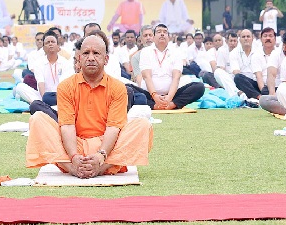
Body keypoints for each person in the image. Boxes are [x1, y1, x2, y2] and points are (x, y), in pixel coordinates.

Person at [25, 34, 153, 179]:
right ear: (79, 59)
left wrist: (100, 156)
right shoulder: (66, 86)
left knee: (143, 125)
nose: (91, 58)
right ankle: (72, 168)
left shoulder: (117, 87)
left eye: (96, 53)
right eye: (86, 53)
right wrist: (73, 157)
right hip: (73, 144)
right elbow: (67, 126)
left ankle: (101, 168)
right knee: (38, 119)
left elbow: (114, 127)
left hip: (108, 148)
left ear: (106, 60)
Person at [138, 24, 204, 110]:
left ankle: (172, 105)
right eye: (159, 32)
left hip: (171, 95)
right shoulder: (146, 51)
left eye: (165, 32)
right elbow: (147, 77)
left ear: (168, 37)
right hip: (149, 95)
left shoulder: (176, 52)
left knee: (199, 87)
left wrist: (169, 98)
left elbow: (176, 78)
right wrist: (155, 96)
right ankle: (154, 105)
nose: (162, 34)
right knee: (127, 89)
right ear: (153, 37)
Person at [14, 30, 74, 106]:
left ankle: (41, 105)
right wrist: (45, 99)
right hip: (43, 96)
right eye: (47, 43)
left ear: (58, 45)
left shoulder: (65, 63)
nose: (50, 44)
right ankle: (44, 105)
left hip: (61, 96)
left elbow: (64, 85)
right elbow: (40, 83)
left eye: (53, 42)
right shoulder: (39, 63)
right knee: (20, 87)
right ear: (44, 47)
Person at [231, 29, 268, 100]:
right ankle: (259, 97)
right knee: (238, 78)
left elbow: (262, 73)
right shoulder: (234, 53)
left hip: (258, 82)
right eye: (243, 37)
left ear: (252, 39)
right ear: (239, 39)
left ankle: (257, 96)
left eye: (248, 36)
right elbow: (236, 72)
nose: (246, 39)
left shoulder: (259, 51)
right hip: (243, 83)